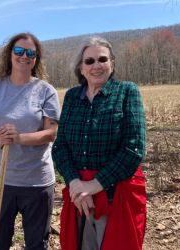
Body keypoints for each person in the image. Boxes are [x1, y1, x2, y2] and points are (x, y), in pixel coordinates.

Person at [52, 36, 147, 250]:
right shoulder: (72, 96)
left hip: (115, 192)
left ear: (112, 64)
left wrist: (94, 186)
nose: (96, 65)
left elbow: (134, 148)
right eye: (89, 61)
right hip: (78, 195)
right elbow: (60, 147)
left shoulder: (127, 92)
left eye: (102, 59)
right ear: (81, 68)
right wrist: (76, 184)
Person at [0, 32, 60, 250]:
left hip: (37, 182)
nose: (24, 56)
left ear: (36, 57)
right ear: (9, 54)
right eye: (19, 51)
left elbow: (51, 133)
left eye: (30, 52)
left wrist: (18, 138)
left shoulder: (46, 91)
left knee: (36, 245)